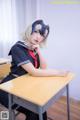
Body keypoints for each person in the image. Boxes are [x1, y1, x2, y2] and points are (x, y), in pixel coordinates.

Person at [0, 20, 68, 120]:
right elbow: (34, 72)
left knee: (41, 109)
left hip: (24, 86)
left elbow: (44, 68)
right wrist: (59, 72)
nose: (38, 37)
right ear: (29, 31)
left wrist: (39, 52)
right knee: (34, 111)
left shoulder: (32, 49)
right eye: (36, 32)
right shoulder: (18, 48)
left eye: (42, 36)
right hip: (9, 89)